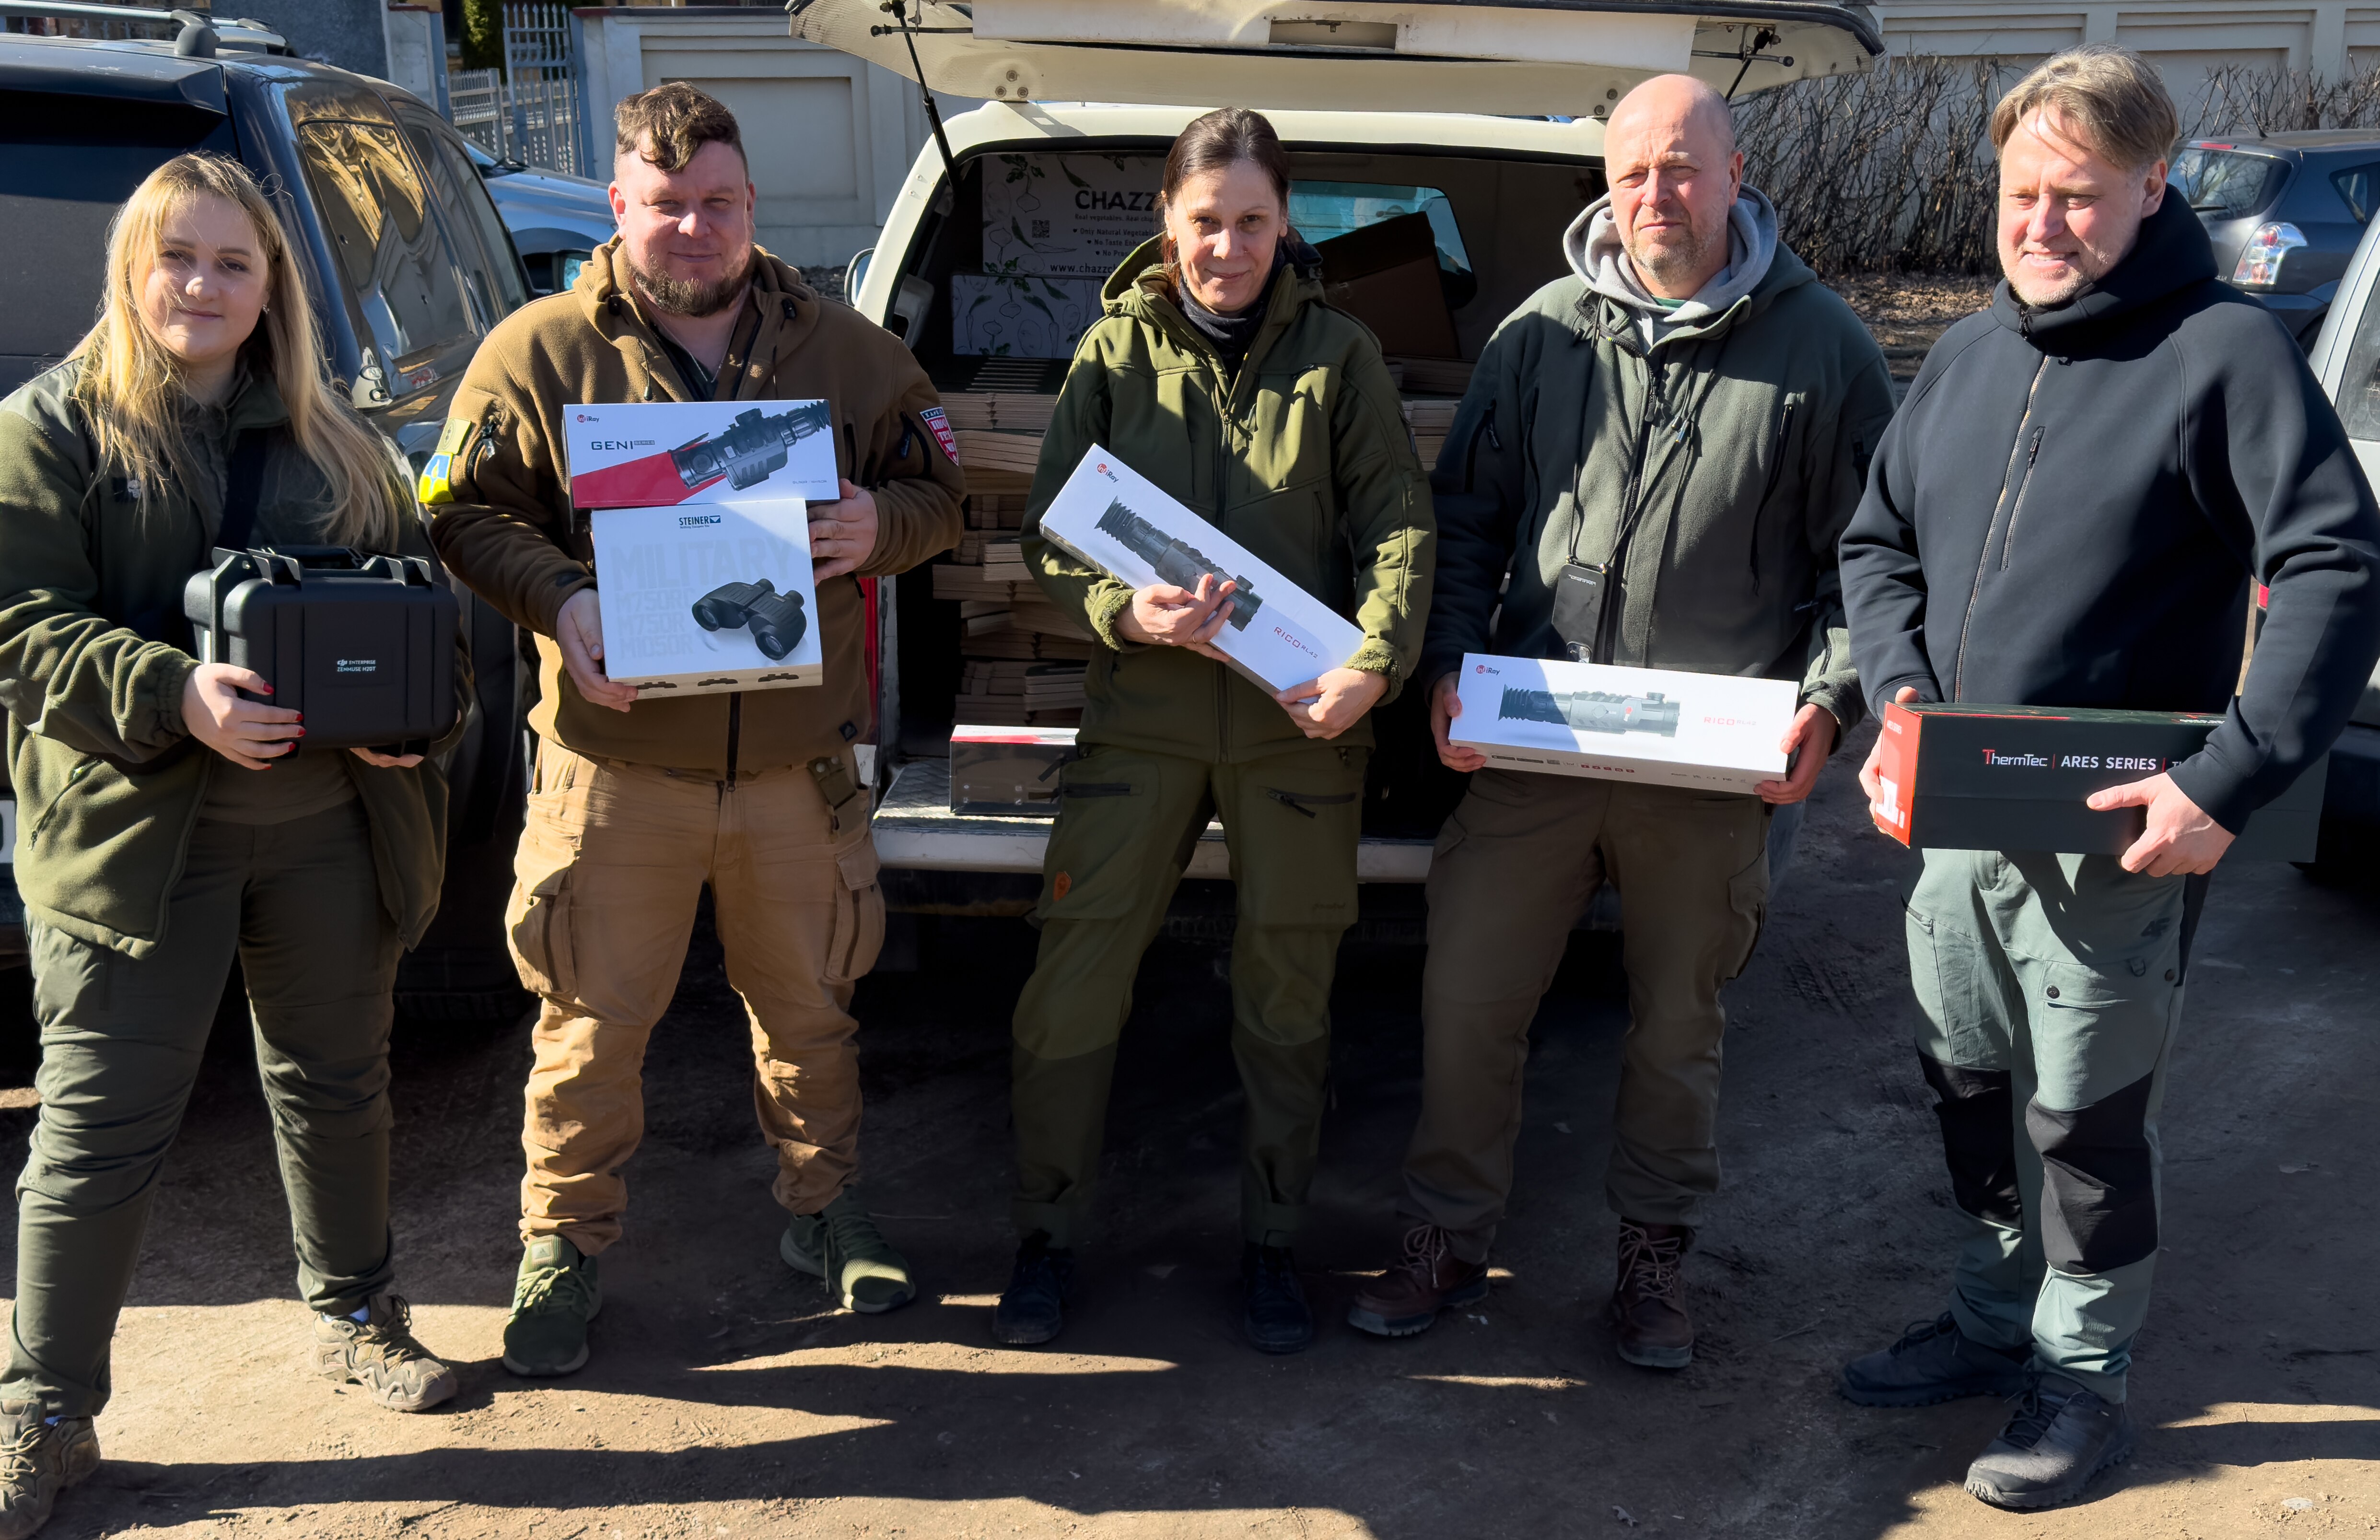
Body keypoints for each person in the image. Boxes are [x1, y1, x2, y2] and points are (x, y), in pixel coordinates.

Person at [1838, 45, 2380, 1510]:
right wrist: (1896, 697)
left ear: (2152, 189)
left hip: (2113, 833)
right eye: (2022, 193)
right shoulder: (1965, 352)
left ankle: (2081, 1381)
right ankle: (1982, 1314)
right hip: (1954, 817)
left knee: (2081, 1122)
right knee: (1964, 1085)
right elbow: (1874, 544)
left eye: (2077, 198)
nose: (2043, 226)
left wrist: (2229, 775)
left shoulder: (2222, 353)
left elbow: (2332, 561)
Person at [1343, 75, 1896, 1370]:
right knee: (1468, 998)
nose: (1657, 194)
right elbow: (1466, 517)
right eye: (1634, 170)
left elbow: (1866, 561)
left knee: (1675, 1026)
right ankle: (1446, 1234)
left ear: (1736, 173)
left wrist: (1827, 700)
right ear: (1606, 181)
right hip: (1534, 743)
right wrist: (1446, 667)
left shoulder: (1823, 352)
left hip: (1706, 772)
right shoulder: (1538, 335)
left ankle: (1653, 1260)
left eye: (1683, 169)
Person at [426, 83, 963, 1377]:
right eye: (666, 205)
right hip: (616, 771)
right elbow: (454, 505)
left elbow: (939, 488)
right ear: (620, 207)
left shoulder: (846, 353)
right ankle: (561, 1241)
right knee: (587, 1024)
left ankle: (825, 1211)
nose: (693, 228)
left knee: (811, 1010)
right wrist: (561, 596)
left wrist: (871, 529)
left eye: (717, 202)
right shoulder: (538, 353)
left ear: (750, 208)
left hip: (791, 769)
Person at [0, 152, 468, 1538]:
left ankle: (361, 1316)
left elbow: (418, 608)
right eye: (178, 258)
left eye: (234, 263)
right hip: (137, 844)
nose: (202, 286)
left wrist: (413, 725)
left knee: (336, 1083)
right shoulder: (54, 432)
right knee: (93, 1130)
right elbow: (18, 629)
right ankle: (46, 1408)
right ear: (133, 271)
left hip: (324, 827)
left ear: (274, 290)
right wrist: (174, 693)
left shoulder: (338, 443)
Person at [995, 107, 1433, 1355]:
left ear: (1283, 222)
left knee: (1286, 1003)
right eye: (1205, 223)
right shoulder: (1112, 356)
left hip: (1297, 728)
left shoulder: (1338, 358)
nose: (1227, 247)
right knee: (1068, 989)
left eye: (1250, 222)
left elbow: (1397, 522)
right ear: (1166, 225)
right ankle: (1043, 1236)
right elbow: (1044, 531)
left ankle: (1273, 1244)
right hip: (1142, 721)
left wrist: (1374, 663)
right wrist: (1119, 610)